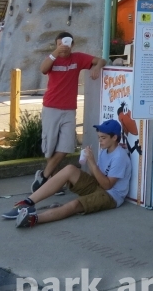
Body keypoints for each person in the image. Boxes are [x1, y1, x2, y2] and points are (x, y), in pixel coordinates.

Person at [2, 119, 131, 227]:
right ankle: (28, 203)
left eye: (103, 138)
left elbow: (107, 185)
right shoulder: (106, 149)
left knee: (75, 204)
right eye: (99, 137)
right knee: (70, 169)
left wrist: (91, 162)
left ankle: (32, 219)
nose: (100, 141)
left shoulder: (119, 156)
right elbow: (96, 177)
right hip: (99, 186)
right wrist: (87, 167)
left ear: (114, 137)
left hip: (112, 196)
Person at [33, 32, 105, 193]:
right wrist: (55, 53)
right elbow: (43, 69)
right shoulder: (52, 58)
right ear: (56, 44)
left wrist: (97, 67)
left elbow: (101, 60)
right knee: (50, 148)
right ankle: (54, 181)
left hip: (69, 109)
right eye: (59, 44)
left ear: (72, 45)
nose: (63, 48)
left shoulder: (78, 58)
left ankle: (44, 176)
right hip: (51, 107)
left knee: (66, 146)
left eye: (66, 44)